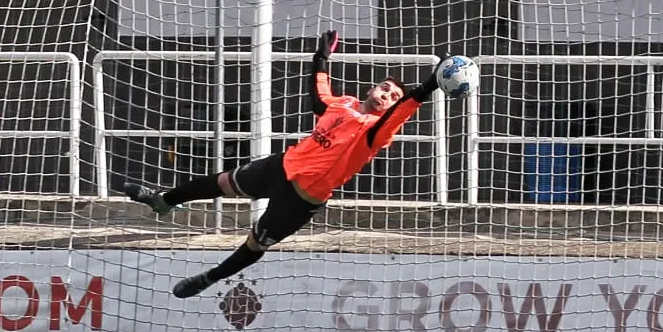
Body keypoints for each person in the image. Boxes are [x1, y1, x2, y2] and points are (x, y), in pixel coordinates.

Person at [123, 30, 448, 299]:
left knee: (256, 241)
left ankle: (210, 277)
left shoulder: (376, 133)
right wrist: (321, 57)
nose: (385, 96)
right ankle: (163, 201)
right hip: (282, 167)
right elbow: (319, 95)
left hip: (303, 198)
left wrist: (429, 85)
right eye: (384, 88)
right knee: (222, 181)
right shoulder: (344, 104)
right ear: (373, 87)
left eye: (391, 97)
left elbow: (404, 109)